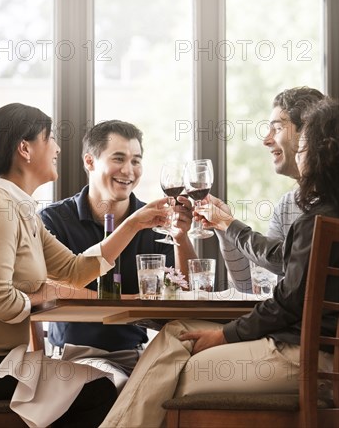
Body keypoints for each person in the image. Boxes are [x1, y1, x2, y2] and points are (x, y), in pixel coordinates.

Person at [99, 96, 339, 428]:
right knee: (175, 337)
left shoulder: (317, 221)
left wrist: (225, 335)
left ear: (323, 154)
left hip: (305, 359)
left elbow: (287, 302)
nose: (299, 154)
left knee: (170, 374)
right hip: (312, 352)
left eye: (303, 148)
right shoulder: (321, 218)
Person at [0, 103, 174, 428]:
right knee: (98, 390)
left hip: (5, 359)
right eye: (49, 138)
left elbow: (76, 270)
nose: (57, 147)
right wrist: (42, 293)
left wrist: (134, 223)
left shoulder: (21, 210)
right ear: (25, 148)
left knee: (100, 385)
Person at [41, 120, 195, 353]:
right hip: (71, 356)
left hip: (135, 355)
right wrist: (126, 302)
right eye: (118, 158)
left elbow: (183, 293)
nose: (128, 170)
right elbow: (51, 287)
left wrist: (181, 239)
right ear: (90, 161)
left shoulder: (155, 222)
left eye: (136, 161)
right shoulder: (54, 219)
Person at [217, 86, 324, 292]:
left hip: (302, 324)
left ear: (308, 133)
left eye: (277, 128)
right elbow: (253, 285)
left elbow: (283, 261)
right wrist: (223, 228)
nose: (266, 140)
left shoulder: (331, 205)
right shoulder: (287, 205)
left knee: (178, 326)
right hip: (288, 321)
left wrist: (230, 226)